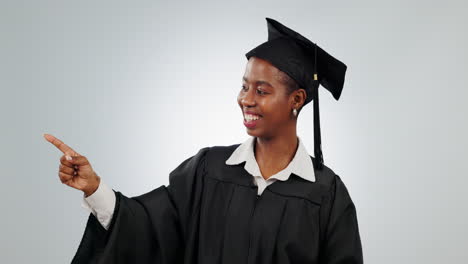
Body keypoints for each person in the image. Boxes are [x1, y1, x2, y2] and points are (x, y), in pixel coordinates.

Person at [45, 17, 363, 264]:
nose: (246, 100)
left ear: (296, 99)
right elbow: (147, 229)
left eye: (261, 91)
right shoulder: (208, 169)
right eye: (244, 86)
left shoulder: (327, 196)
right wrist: (95, 188)